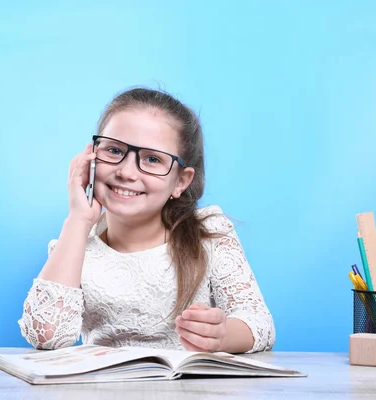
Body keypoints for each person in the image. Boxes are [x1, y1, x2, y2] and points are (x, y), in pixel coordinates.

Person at [18, 87, 275, 354]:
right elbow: (46, 335)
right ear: (90, 158)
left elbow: (260, 324)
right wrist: (78, 220)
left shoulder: (209, 233)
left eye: (152, 159)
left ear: (181, 181)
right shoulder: (74, 247)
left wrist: (222, 335)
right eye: (114, 150)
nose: (126, 172)